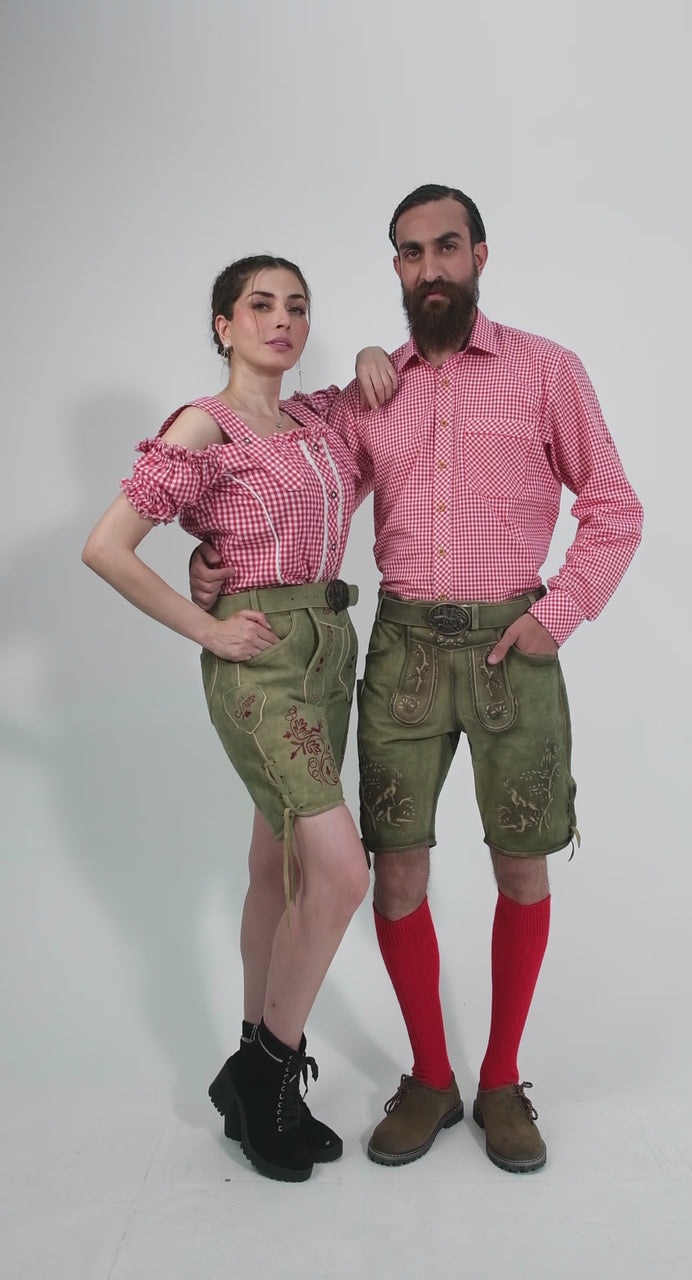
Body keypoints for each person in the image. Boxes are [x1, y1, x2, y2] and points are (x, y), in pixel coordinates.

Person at [191, 187, 643, 1175]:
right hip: (397, 653)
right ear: (394, 267)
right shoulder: (372, 392)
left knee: (523, 861)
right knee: (395, 868)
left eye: (446, 247)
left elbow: (613, 507)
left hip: (511, 647)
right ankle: (431, 1076)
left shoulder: (546, 371)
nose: (429, 268)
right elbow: (299, 500)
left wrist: (554, 616)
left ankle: (502, 1079)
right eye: (409, 253)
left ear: (480, 253)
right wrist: (217, 564)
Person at [82, 253, 393, 1184]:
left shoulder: (316, 419)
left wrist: (376, 347)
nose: (281, 320)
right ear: (223, 324)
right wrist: (206, 628)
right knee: (340, 873)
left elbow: (387, 389)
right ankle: (262, 1078)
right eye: (260, 305)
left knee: (281, 862)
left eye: (297, 307)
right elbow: (107, 546)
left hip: (330, 649)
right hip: (261, 664)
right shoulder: (202, 425)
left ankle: (259, 1062)